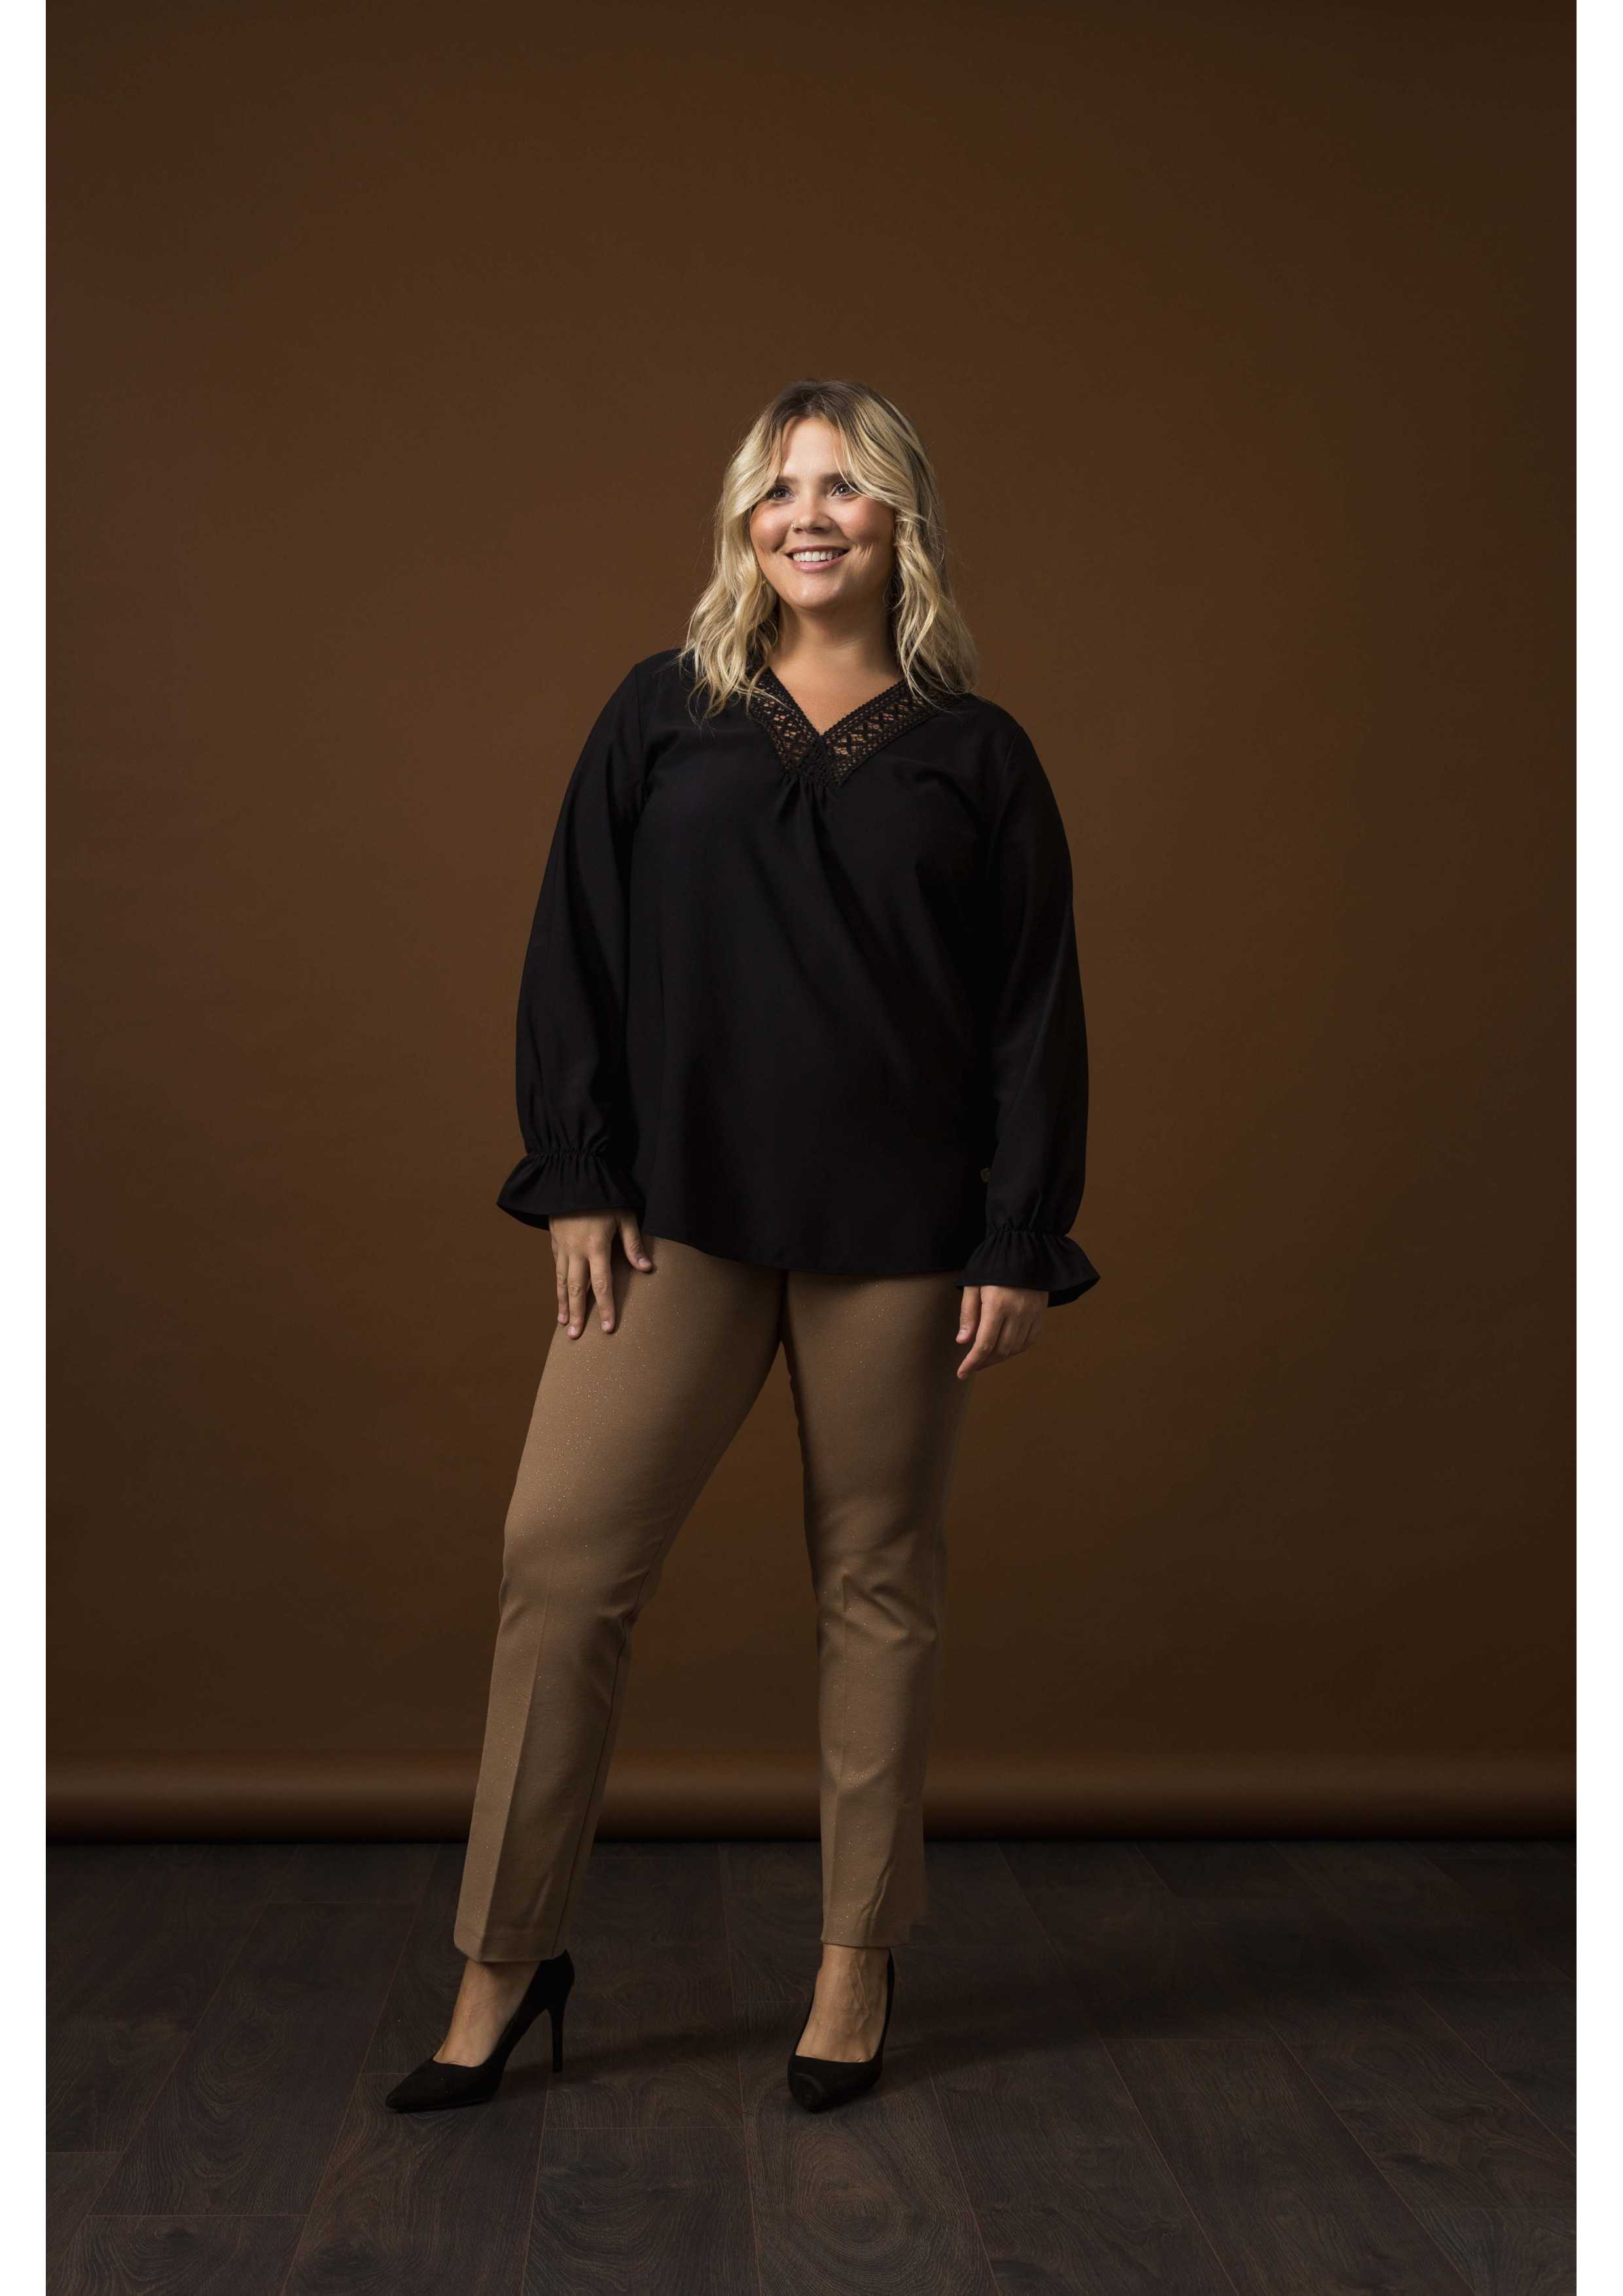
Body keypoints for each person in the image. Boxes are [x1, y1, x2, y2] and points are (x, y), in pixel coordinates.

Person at [385, 377, 1099, 2118]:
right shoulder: (665, 712)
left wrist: (1019, 1232)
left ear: (901, 520)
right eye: (781, 489)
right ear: (744, 525)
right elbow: (574, 947)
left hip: (904, 1234)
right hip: (674, 1219)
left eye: (845, 486)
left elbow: (1035, 1015)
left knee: (877, 1583)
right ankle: (507, 1956)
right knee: (561, 1562)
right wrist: (575, 1173)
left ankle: (855, 1959)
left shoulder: (978, 754)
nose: (809, 515)